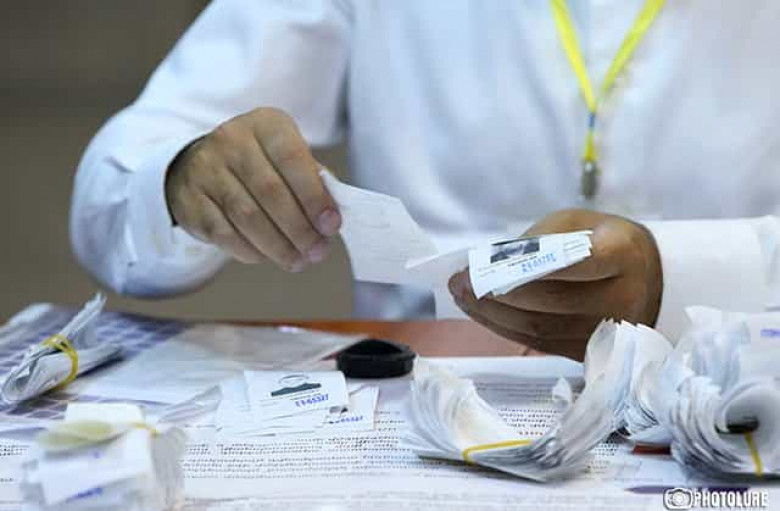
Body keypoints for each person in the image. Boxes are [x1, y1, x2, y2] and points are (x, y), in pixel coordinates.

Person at [70, 0, 780, 360]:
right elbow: (117, 183)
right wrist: (186, 177)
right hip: (417, 411)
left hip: (740, 382)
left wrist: (680, 276)